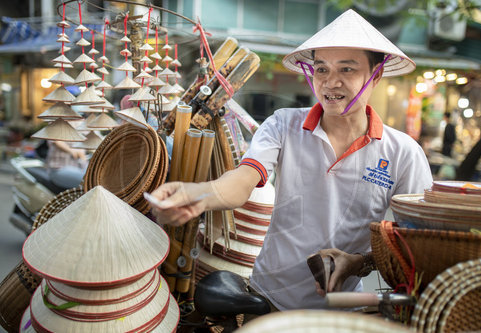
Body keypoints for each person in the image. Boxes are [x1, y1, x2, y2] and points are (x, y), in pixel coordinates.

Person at [150, 9, 433, 310]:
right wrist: (199, 195)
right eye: (321, 69)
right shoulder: (284, 125)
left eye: (346, 70)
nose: (330, 82)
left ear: (375, 75)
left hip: (344, 308)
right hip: (269, 298)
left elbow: (414, 241)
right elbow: (243, 181)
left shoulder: (403, 152)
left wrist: (359, 263)